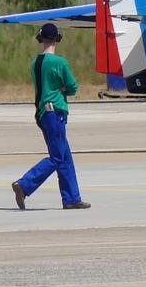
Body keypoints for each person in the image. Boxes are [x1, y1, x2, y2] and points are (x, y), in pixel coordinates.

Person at [11, 23, 90, 210]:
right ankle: (24, 185)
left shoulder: (35, 63)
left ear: (41, 38)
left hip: (42, 112)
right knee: (56, 157)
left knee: (64, 156)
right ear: (57, 38)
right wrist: (62, 88)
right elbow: (73, 87)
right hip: (55, 112)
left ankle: (71, 198)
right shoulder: (60, 62)